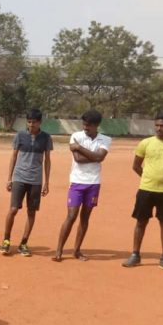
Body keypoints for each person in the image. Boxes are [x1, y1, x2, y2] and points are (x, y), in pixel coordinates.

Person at [123, 112, 163, 274]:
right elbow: (136, 166)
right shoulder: (145, 143)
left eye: (162, 125)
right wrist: (148, 178)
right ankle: (135, 254)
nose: (159, 128)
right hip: (146, 189)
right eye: (157, 125)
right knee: (140, 222)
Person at [52, 110, 111, 262]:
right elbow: (78, 159)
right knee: (71, 216)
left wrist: (79, 148)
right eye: (84, 124)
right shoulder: (76, 136)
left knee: (85, 217)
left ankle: (77, 250)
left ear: (97, 125)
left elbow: (100, 157)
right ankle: (59, 250)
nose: (85, 127)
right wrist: (93, 156)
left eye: (89, 125)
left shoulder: (105, 139)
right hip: (77, 182)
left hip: (93, 183)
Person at [0, 108, 52, 257]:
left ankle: (24, 242)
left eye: (34, 122)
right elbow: (13, 156)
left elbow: (47, 160)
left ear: (40, 122)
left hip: (35, 180)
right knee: (13, 209)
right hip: (19, 178)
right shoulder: (20, 136)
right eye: (29, 122)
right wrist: (9, 178)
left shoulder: (46, 138)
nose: (31, 125)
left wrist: (46, 182)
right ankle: (6, 240)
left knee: (31, 211)